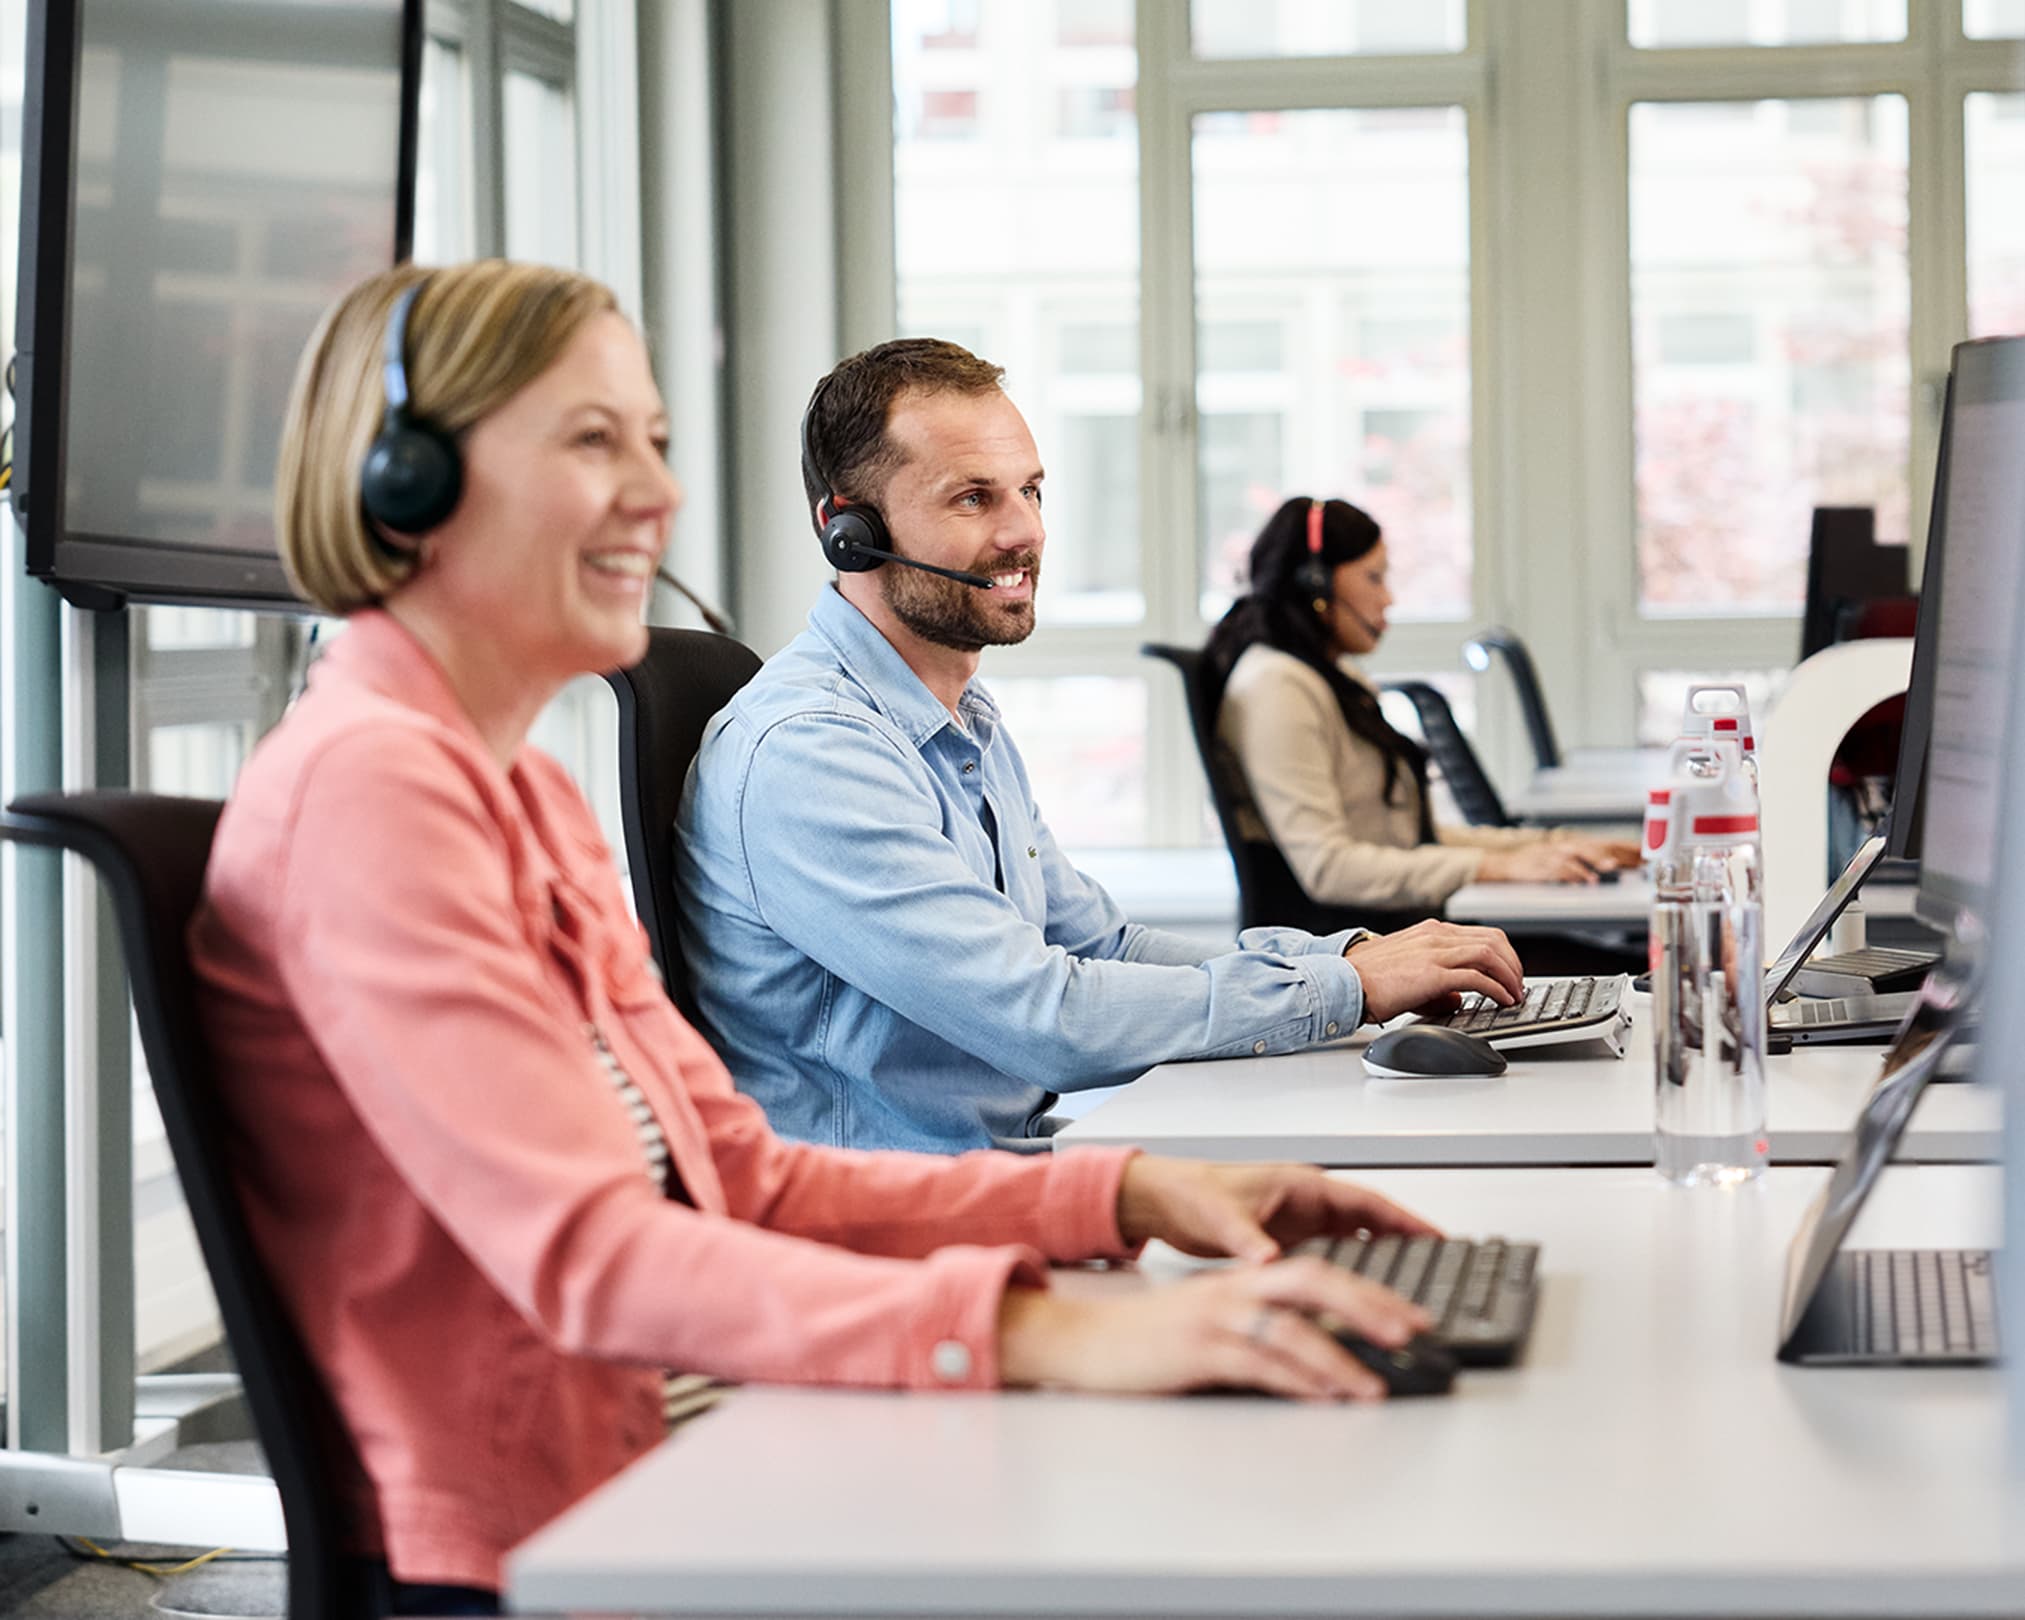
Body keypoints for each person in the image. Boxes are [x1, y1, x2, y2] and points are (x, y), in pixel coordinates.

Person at [189, 261, 1454, 1611]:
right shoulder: (371, 791)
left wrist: (1125, 1196)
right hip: (558, 1530)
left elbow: (743, 1174)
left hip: (669, 1440)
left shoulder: (513, 790)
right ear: (406, 483)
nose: (659, 496)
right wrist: (1044, 1331)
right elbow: (592, 1260)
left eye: (657, 445)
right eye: (592, 440)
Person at [675, 338, 1525, 1158]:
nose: (1025, 532)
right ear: (846, 529)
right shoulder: (812, 754)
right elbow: (1044, 1018)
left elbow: (1101, 948)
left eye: (1031, 490)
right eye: (973, 498)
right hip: (897, 1234)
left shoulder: (961, 720)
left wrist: (1348, 959)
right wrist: (1347, 991)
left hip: (1010, 1176)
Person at [1206, 496, 1638, 919]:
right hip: (1349, 949)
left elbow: (1408, 840)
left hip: (1389, 931)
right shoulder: (1278, 688)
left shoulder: (1330, 679)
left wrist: (1548, 846)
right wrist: (1497, 867)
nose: (1388, 599)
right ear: (1316, 583)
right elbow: (1329, 869)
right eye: (1373, 578)